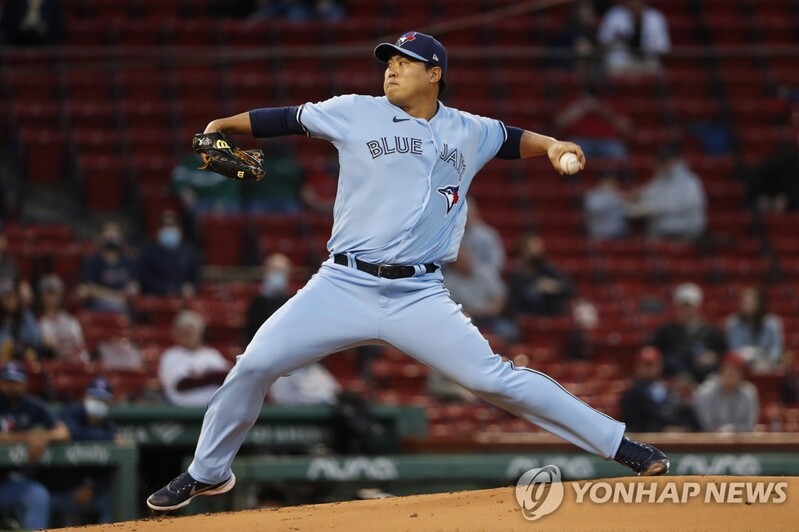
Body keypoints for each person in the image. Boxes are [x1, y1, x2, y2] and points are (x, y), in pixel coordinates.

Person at [147, 30, 669, 512]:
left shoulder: (469, 130)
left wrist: (553, 146)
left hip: (419, 294)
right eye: (389, 62)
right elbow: (280, 119)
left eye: (405, 63)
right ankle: (208, 471)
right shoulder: (354, 111)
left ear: (435, 72)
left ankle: (619, 445)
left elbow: (513, 138)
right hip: (343, 283)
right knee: (255, 364)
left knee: (493, 379)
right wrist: (221, 127)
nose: (391, 70)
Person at [0, 362, 70, 530]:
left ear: (24, 384)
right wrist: (27, 437)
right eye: (8, 382)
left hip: (7, 480)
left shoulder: (32, 405)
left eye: (16, 382)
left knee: (37, 495)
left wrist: (44, 437)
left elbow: (63, 432)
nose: (12, 387)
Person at [50, 377, 118, 526]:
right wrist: (109, 438)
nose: (98, 403)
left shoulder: (109, 427)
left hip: (90, 490)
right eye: (94, 397)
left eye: (103, 400)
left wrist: (91, 486)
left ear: (110, 404)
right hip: (60, 488)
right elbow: (72, 433)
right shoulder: (71, 412)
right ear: (85, 397)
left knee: (112, 495)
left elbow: (108, 472)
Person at [649, 283, 728, 383]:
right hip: (674, 382)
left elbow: (724, 353)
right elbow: (656, 354)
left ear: (697, 307)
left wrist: (713, 356)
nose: (685, 311)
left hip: (704, 380)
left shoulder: (711, 331)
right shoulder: (665, 331)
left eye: (689, 307)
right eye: (682, 307)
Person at [626, 145, 707, 240]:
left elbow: (690, 204)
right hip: (660, 231)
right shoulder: (660, 178)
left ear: (674, 161)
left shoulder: (690, 180)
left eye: (665, 163)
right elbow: (649, 193)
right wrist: (638, 196)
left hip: (685, 231)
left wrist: (654, 209)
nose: (661, 166)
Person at [442, 244, 516, 342]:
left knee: (508, 331)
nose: (466, 262)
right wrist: (470, 313)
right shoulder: (449, 281)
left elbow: (499, 297)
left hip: (491, 318)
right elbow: (449, 307)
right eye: (462, 259)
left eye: (468, 257)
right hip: (467, 320)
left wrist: (493, 308)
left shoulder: (486, 272)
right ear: (454, 263)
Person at [158, 310, 232, 407]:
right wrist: (211, 376)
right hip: (180, 413)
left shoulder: (212, 354)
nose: (187, 333)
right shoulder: (170, 356)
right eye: (183, 330)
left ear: (200, 332)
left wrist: (202, 376)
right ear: (176, 333)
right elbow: (181, 385)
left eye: (191, 329)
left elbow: (229, 377)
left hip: (212, 410)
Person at [553, 72, 633, 159]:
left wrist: (604, 111)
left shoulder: (613, 100)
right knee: (570, 155)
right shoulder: (574, 98)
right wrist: (580, 109)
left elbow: (627, 127)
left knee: (618, 152)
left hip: (607, 141)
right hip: (579, 140)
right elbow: (558, 123)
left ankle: (610, 173)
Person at [619, 347, 697, 432]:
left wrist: (681, 429)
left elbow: (691, 420)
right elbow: (632, 427)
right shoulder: (631, 396)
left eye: (656, 364)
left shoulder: (674, 390)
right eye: (647, 365)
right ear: (637, 367)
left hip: (678, 439)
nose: (652, 368)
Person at [506, 232, 574, 316]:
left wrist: (555, 287)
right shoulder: (517, 275)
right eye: (531, 248)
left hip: (549, 317)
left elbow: (570, 289)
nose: (535, 251)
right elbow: (513, 305)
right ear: (523, 251)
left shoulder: (547, 269)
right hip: (526, 321)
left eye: (538, 247)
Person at [77, 222, 138, 313]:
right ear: (101, 236)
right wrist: (116, 296)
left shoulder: (128, 261)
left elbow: (133, 285)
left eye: (115, 231)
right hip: (99, 302)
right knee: (117, 306)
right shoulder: (92, 260)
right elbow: (89, 288)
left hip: (124, 302)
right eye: (108, 231)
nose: (111, 234)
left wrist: (132, 290)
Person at [137, 210, 201, 298]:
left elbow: (195, 278)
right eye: (166, 227)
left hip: (181, 299)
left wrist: (190, 286)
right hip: (154, 298)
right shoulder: (148, 252)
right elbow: (143, 277)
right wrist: (166, 289)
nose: (169, 230)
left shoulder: (189, 253)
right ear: (159, 231)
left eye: (172, 227)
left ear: (180, 230)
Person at [597, 0, 670, 75]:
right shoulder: (614, 15)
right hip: (620, 63)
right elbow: (601, 44)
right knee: (608, 68)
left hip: (647, 63)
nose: (635, 3)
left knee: (659, 70)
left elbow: (663, 48)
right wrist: (617, 39)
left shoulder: (656, 18)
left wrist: (651, 46)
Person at [693, 352, 759, 433]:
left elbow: (749, 424)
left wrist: (731, 430)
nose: (730, 375)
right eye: (728, 371)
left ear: (741, 375)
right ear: (721, 372)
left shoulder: (748, 392)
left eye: (735, 372)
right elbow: (707, 425)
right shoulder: (706, 392)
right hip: (709, 440)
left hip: (740, 440)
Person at [725, 286, 784, 372]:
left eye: (750, 302)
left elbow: (776, 349)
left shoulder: (772, 323)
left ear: (759, 303)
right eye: (744, 302)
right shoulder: (733, 322)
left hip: (766, 364)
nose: (746, 305)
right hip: (741, 364)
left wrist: (770, 361)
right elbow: (734, 348)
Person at [37, 274, 90, 362]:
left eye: (54, 293)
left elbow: (79, 347)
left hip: (74, 364)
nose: (51, 298)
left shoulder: (69, 321)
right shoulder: (38, 322)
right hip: (52, 365)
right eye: (48, 294)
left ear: (60, 295)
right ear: (42, 296)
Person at [244, 253, 293, 344]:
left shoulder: (293, 303)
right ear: (265, 271)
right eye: (274, 270)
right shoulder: (256, 304)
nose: (278, 274)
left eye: (281, 271)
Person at [0, 277, 45, 361]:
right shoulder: (2, 320)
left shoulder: (26, 315)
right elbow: (3, 343)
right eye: (6, 297)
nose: (10, 300)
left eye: (13, 296)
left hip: (27, 360)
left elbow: (37, 338)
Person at [460, 199, 505, 275]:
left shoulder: (487, 235)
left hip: (483, 275)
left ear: (474, 214)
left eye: (467, 214)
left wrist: (476, 268)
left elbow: (498, 261)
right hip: (459, 277)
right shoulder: (451, 236)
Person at [584, 170, 629, 240]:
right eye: (608, 181)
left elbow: (628, 210)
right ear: (602, 181)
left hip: (619, 235)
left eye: (613, 181)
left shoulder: (618, 195)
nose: (612, 183)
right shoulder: (593, 196)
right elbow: (594, 210)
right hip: (599, 234)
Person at [268, 362, 341, 405]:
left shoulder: (317, 369)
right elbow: (281, 400)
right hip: (292, 423)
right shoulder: (281, 371)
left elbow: (336, 393)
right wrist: (321, 399)